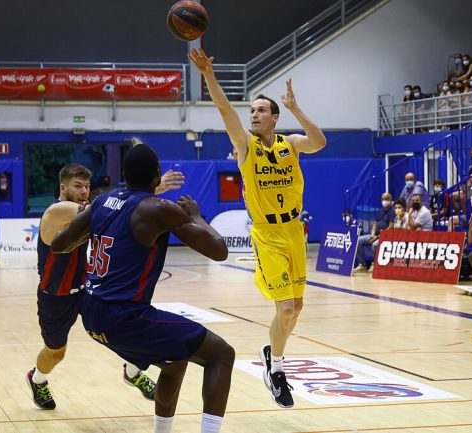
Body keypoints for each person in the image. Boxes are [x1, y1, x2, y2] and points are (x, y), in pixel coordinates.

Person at [51, 144, 234, 433]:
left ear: (123, 175)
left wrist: (85, 221)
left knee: (175, 361)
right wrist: (195, 215)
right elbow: (219, 251)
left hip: (90, 313)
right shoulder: (158, 209)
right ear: (157, 176)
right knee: (222, 354)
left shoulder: (102, 201)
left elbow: (60, 244)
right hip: (125, 317)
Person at [190, 47, 327, 408]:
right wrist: (207, 74)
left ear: (275, 117)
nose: (254, 114)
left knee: (296, 307)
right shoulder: (246, 146)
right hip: (267, 235)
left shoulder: (290, 145)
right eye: (252, 110)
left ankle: (272, 353)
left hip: (295, 231)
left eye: (261, 110)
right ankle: (277, 370)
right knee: (284, 309)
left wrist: (297, 108)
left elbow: (320, 142)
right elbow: (224, 110)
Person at [26, 163, 184, 410]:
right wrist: (145, 190)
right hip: (56, 296)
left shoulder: (87, 213)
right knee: (55, 353)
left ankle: (132, 373)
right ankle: (37, 379)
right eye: (78, 186)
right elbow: (108, 208)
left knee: (127, 333)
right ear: (63, 187)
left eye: (87, 186)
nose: (84, 191)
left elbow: (114, 212)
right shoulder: (57, 211)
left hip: (88, 291)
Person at [353, 192, 394, 272]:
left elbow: (391, 227)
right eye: (383, 199)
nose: (384, 201)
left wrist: (377, 237)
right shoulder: (380, 211)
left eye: (386, 199)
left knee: (375, 245)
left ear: (390, 200)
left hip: (385, 236)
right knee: (357, 241)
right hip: (375, 235)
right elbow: (375, 224)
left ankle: (374, 264)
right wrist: (372, 236)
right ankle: (363, 265)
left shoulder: (392, 211)